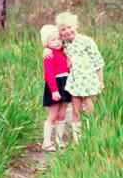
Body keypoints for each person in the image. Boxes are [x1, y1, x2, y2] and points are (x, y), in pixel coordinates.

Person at [56, 11, 103, 142]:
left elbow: (98, 62)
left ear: (75, 26)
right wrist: (46, 49)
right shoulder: (63, 44)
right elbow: (51, 43)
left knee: (91, 110)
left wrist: (101, 81)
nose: (67, 31)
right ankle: (78, 139)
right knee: (76, 111)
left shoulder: (86, 41)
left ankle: (91, 135)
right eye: (63, 29)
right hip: (75, 81)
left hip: (90, 81)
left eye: (69, 27)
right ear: (60, 32)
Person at [39, 24, 70, 151]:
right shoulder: (49, 54)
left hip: (65, 83)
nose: (57, 42)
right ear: (46, 42)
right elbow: (49, 74)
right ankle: (46, 142)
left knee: (62, 113)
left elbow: (65, 68)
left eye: (59, 39)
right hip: (55, 85)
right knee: (53, 114)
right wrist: (54, 90)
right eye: (53, 40)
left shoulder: (62, 52)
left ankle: (58, 140)